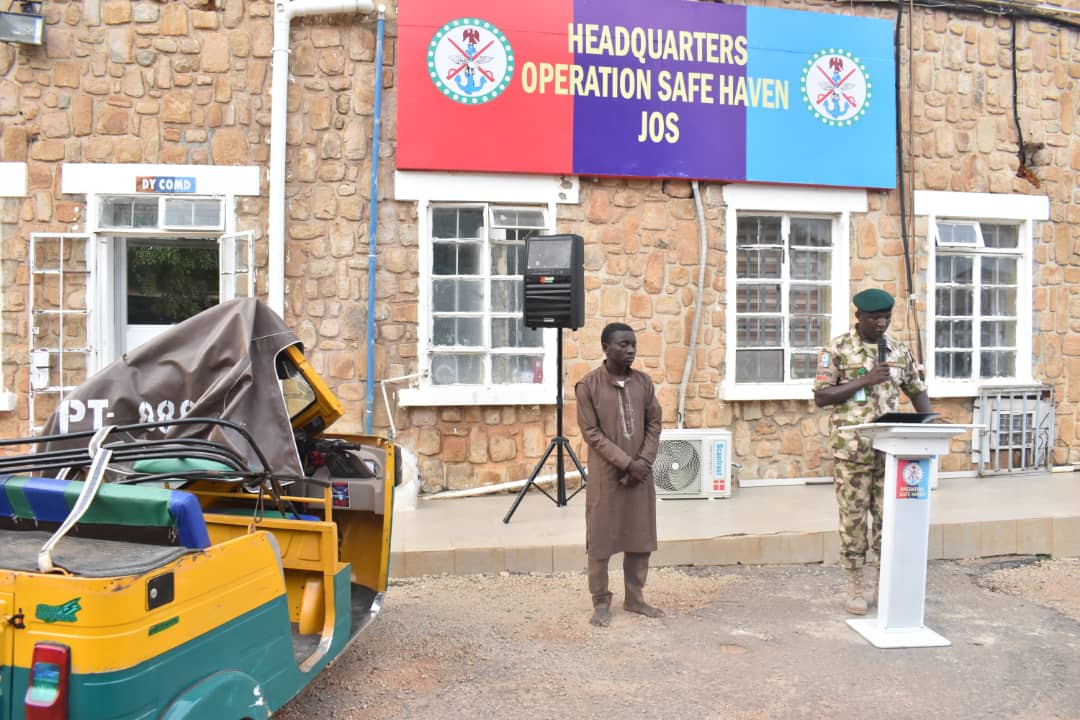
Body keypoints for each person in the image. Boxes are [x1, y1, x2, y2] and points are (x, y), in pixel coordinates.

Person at [812, 289, 932, 616]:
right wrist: (865, 380)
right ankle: (854, 584)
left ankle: (882, 581)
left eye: (886, 318)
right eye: (875, 318)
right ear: (859, 317)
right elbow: (822, 396)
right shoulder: (837, 349)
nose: (881, 323)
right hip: (852, 453)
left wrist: (931, 422)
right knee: (853, 520)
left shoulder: (898, 350)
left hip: (890, 453)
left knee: (887, 519)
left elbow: (916, 391)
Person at [575, 322, 664, 627]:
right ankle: (600, 602)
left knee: (640, 538)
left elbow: (654, 423)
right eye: (623, 345)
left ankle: (635, 598)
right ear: (605, 347)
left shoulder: (643, 383)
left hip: (640, 476)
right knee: (600, 541)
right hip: (606, 478)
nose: (630, 350)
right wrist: (627, 464)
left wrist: (643, 463)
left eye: (633, 345)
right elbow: (591, 433)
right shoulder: (588, 386)